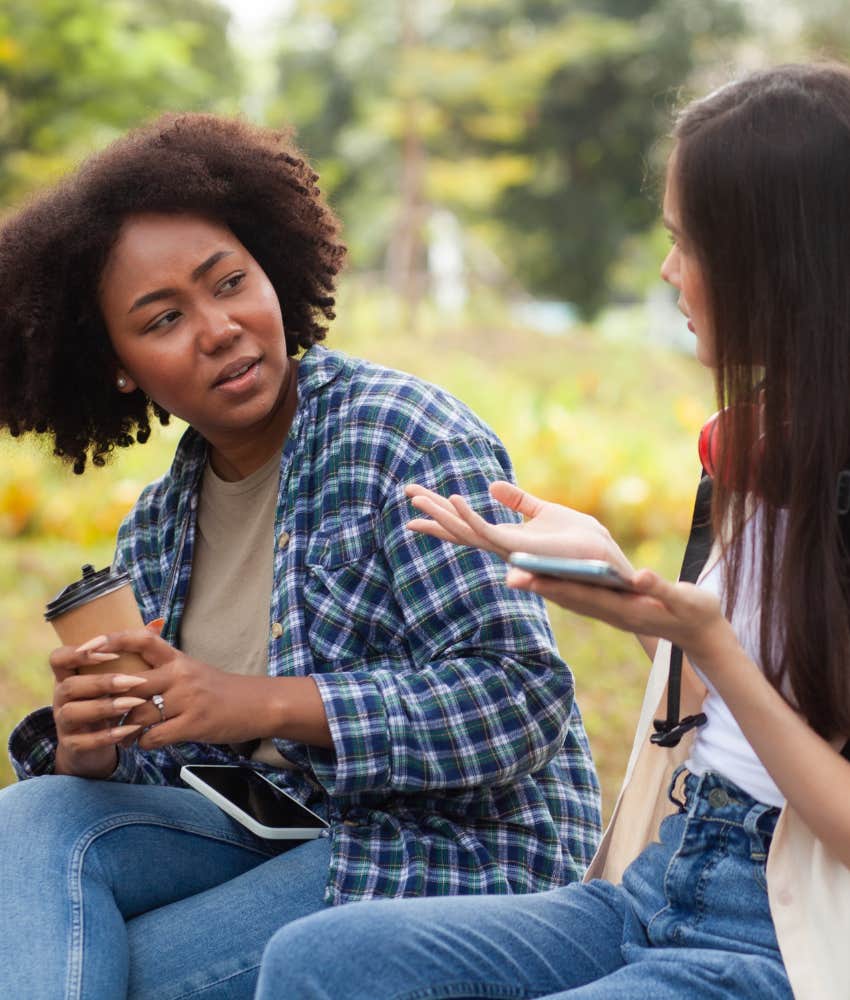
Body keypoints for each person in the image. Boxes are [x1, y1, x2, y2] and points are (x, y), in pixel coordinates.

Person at [254, 62, 850, 1000]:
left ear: (779, 263)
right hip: (664, 880)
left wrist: (708, 643)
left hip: (786, 934)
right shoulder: (764, 447)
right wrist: (619, 585)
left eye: (686, 243)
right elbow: (751, 691)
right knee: (317, 960)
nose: (669, 271)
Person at [0, 114, 601, 999]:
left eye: (230, 283)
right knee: (33, 817)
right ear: (117, 366)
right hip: (275, 833)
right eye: (163, 319)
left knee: (121, 971)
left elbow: (520, 702)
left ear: (273, 271)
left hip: (444, 851)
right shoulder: (160, 525)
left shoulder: (403, 437)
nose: (218, 328)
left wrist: (262, 702)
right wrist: (97, 754)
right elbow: (191, 766)